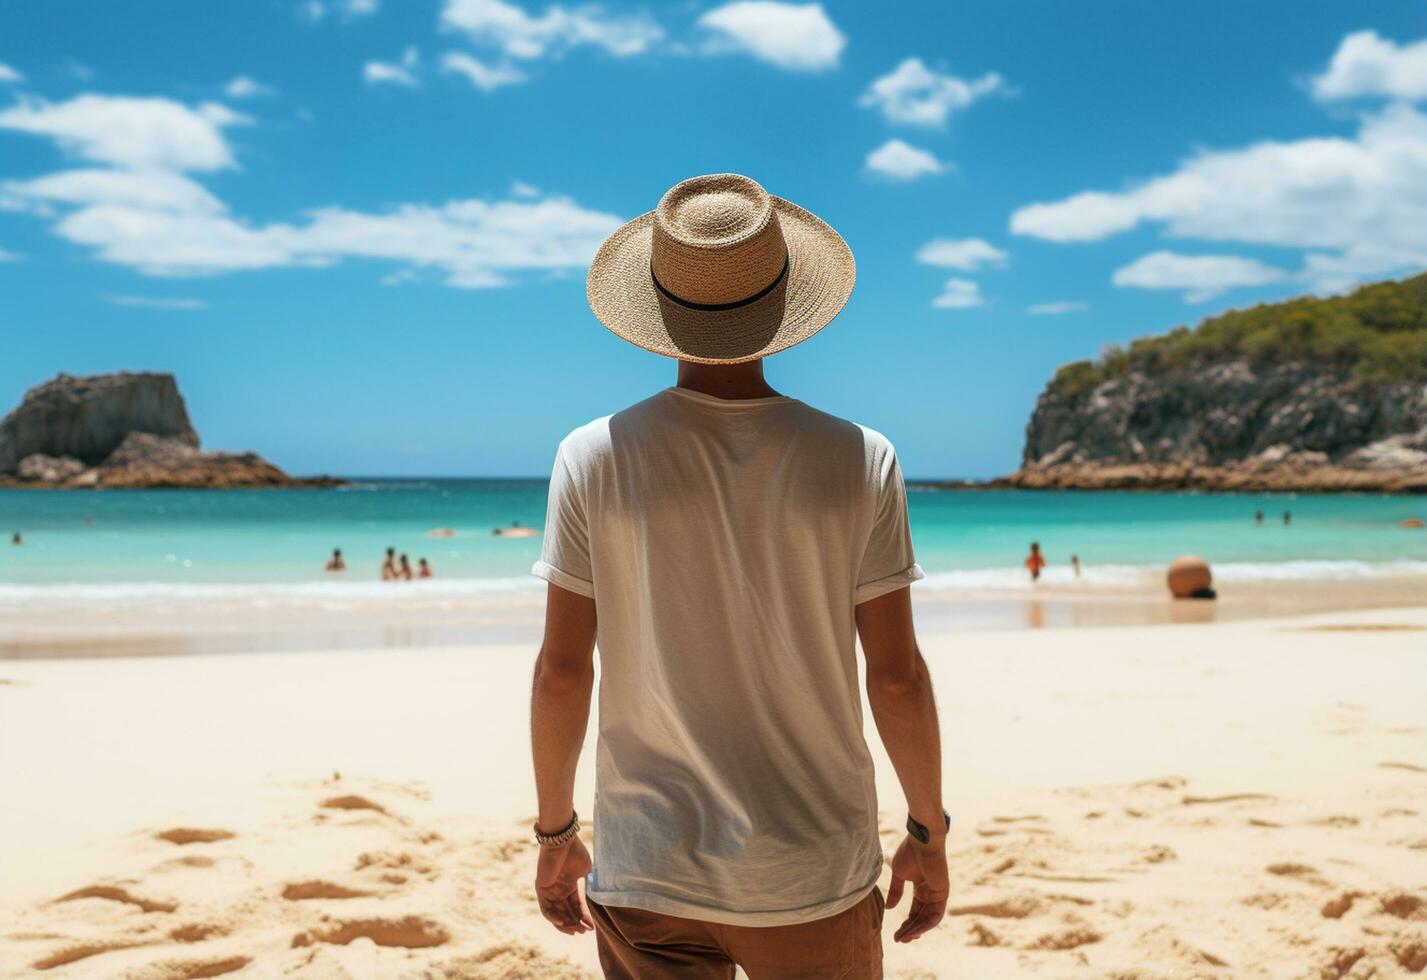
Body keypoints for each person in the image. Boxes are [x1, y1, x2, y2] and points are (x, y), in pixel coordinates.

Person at [529, 175, 946, 978]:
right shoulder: (860, 457)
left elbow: (560, 672)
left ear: (656, 308)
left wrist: (555, 836)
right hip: (812, 869)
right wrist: (927, 831)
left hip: (648, 864)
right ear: (784, 302)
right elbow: (895, 679)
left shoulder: (591, 456)